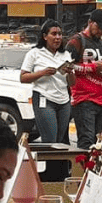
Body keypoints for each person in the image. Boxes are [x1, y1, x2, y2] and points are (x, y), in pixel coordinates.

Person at [19, 19, 75, 178]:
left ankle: (58, 176)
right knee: (50, 140)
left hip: (63, 100)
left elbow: (72, 83)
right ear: (45, 36)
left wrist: (70, 72)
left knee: (60, 140)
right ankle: (49, 177)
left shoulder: (65, 54)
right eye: (54, 34)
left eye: (60, 34)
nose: (57, 38)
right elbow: (23, 77)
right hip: (44, 97)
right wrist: (43, 72)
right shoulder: (35, 53)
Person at [67, 8, 102, 150]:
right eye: (99, 27)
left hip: (101, 99)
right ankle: (83, 164)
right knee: (87, 141)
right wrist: (92, 67)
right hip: (84, 99)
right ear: (90, 22)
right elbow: (67, 66)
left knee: (96, 143)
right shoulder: (76, 41)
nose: (101, 31)